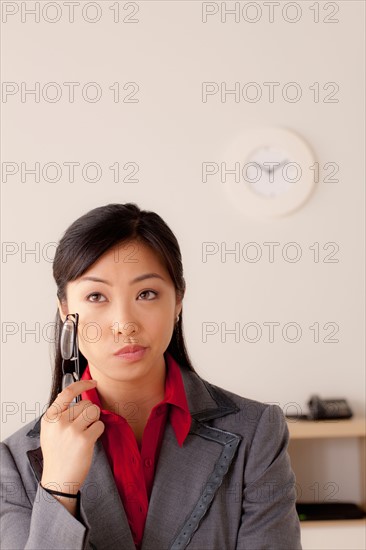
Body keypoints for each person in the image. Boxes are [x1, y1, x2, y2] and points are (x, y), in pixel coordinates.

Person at [0, 203, 302, 550]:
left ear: (177, 301)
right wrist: (58, 487)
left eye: (146, 294)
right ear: (67, 311)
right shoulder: (16, 460)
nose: (124, 322)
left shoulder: (256, 432)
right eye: (96, 296)